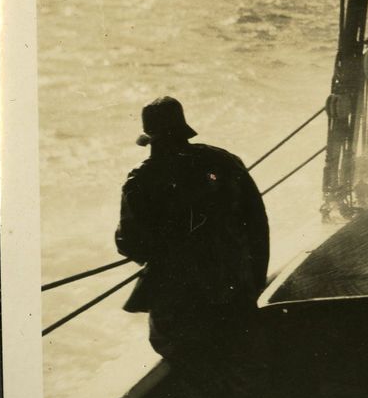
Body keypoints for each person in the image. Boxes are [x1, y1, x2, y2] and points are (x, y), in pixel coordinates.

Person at [114, 97, 269, 365]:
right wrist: (253, 283)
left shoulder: (140, 181)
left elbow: (129, 244)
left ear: (151, 140)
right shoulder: (225, 162)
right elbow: (257, 224)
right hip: (234, 294)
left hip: (180, 313)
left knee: (188, 357)